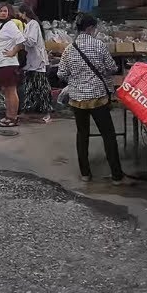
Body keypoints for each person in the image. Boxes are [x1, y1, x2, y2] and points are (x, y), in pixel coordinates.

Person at [58, 14, 128, 184]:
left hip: (77, 99)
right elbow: (112, 67)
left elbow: (61, 73)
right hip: (98, 97)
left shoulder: (70, 48)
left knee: (82, 134)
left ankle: (85, 174)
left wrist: (76, 79)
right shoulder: (99, 45)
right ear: (90, 28)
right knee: (108, 135)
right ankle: (117, 176)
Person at [0, 2, 25, 128]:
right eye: (0, 11)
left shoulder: (10, 25)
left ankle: (13, 117)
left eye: (5, 11)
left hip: (9, 64)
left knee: (11, 90)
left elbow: (21, 41)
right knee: (5, 91)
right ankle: (8, 115)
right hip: (0, 63)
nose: (2, 13)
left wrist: (13, 52)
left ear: (9, 12)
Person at [18, 5, 53, 123]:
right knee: (30, 88)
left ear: (24, 13)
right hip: (31, 62)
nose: (19, 15)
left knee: (41, 87)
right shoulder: (28, 25)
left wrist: (20, 37)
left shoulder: (33, 24)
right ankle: (31, 111)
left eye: (20, 13)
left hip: (37, 62)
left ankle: (46, 112)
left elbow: (31, 41)